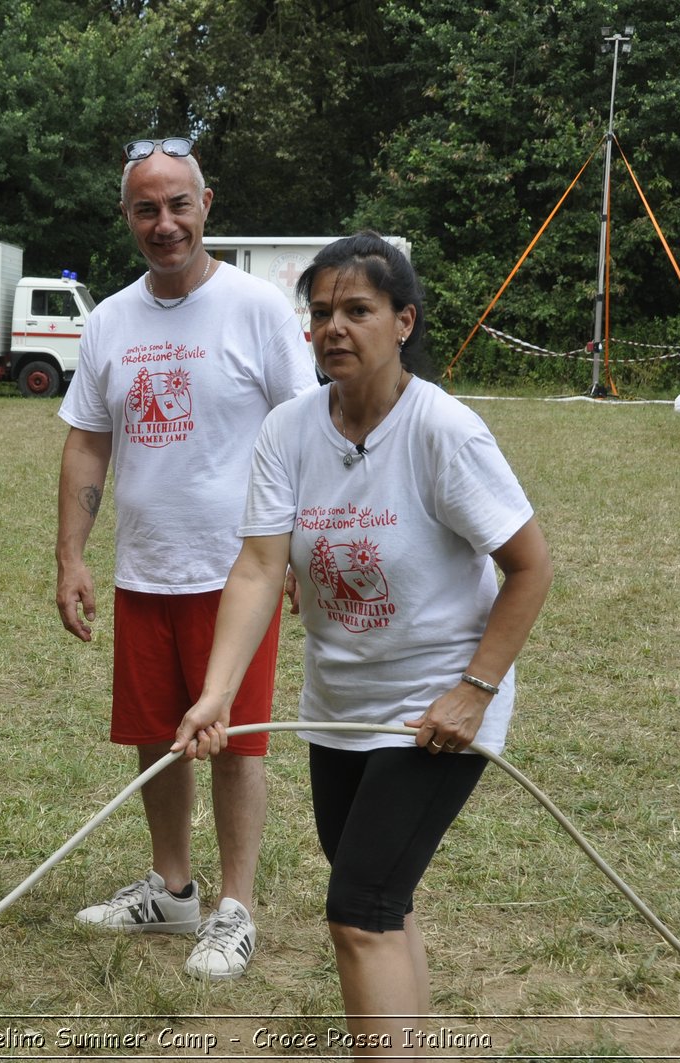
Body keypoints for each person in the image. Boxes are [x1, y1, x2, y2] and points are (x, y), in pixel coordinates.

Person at [173, 232, 552, 1054]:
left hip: (434, 712)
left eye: (358, 310)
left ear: (403, 320)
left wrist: (474, 690)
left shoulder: (444, 430)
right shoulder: (289, 429)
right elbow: (257, 568)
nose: (333, 327)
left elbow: (529, 567)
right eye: (319, 312)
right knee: (383, 903)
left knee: (357, 911)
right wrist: (217, 694)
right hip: (338, 708)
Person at [55, 137, 317, 980]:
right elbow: (89, 444)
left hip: (239, 571)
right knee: (156, 737)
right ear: (127, 217)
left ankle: (234, 907)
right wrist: (71, 556)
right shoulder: (111, 320)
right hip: (147, 568)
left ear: (207, 204)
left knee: (236, 740)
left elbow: (308, 430)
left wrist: (305, 553)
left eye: (178, 204)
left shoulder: (258, 309)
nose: (163, 223)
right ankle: (173, 891)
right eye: (145, 208)